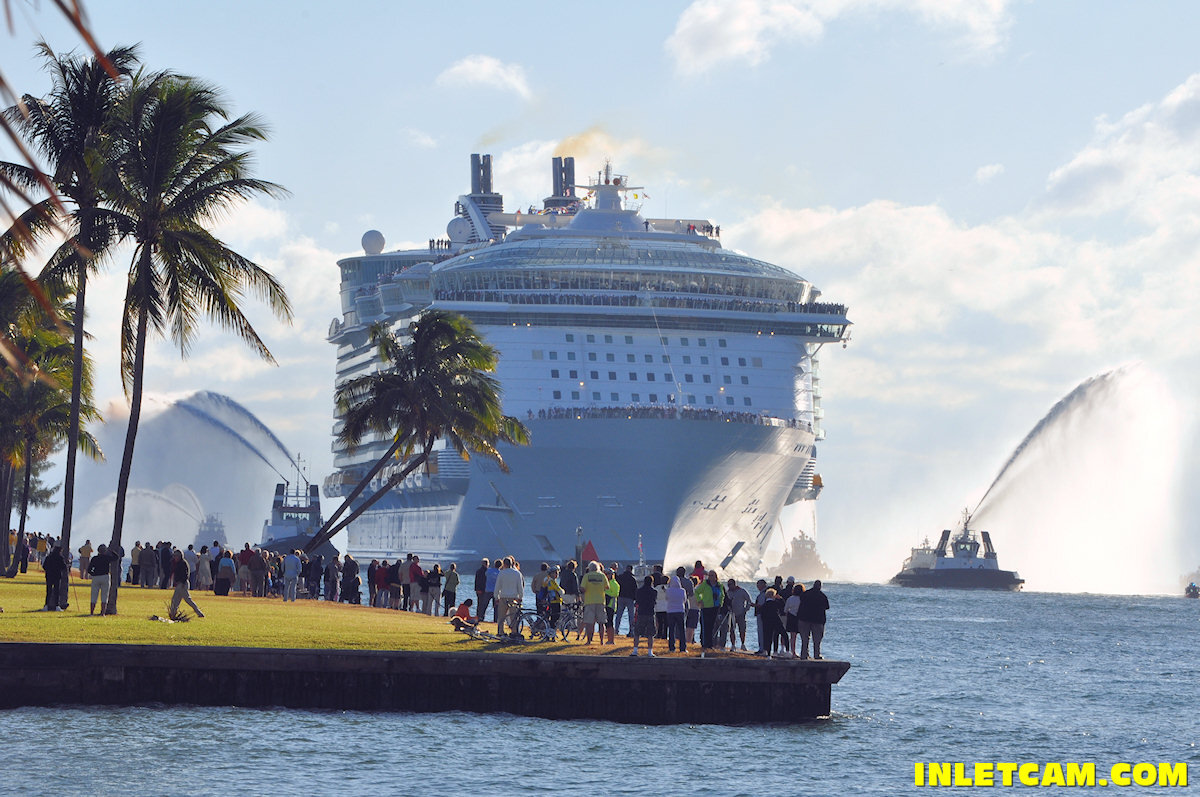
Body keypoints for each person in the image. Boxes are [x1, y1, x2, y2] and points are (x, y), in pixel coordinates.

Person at [796, 579, 830, 659]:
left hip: (804, 619)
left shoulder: (805, 594)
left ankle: (804, 655)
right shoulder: (822, 596)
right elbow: (827, 607)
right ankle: (816, 655)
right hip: (817, 620)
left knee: (804, 639)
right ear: (820, 586)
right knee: (817, 640)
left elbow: (801, 600)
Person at [168, 549, 204, 618]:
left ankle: (199, 612)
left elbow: (186, 575)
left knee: (187, 600)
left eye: (176, 556)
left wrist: (182, 583)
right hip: (180, 584)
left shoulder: (183, 563)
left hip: (182, 584)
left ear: (180, 556)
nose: (175, 557)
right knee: (175, 600)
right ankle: (173, 614)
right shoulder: (178, 563)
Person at [579, 561, 609, 645]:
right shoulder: (602, 576)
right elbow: (607, 587)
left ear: (589, 568)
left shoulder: (587, 576)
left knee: (589, 622)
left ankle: (589, 641)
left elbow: (582, 588)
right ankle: (602, 641)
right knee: (601, 622)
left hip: (589, 601)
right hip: (600, 601)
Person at [493, 557, 524, 637]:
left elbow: (497, 586)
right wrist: (520, 597)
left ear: (504, 564)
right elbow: (520, 587)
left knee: (501, 616)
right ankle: (514, 632)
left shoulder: (501, 573)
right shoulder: (517, 573)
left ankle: (501, 632)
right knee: (513, 617)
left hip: (503, 597)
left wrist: (496, 597)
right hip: (514, 597)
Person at [695, 569, 725, 650]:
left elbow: (722, 595)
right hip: (706, 607)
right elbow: (696, 592)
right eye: (709, 575)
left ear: (716, 577)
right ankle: (705, 643)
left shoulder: (719, 585)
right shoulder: (705, 584)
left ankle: (710, 644)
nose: (710, 577)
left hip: (715, 607)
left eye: (712, 575)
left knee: (712, 626)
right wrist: (700, 600)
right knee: (705, 626)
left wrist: (720, 603)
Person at [630, 576, 657, 657]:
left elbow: (637, 602)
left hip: (641, 613)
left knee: (637, 633)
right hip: (650, 613)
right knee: (650, 634)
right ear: (652, 582)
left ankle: (635, 650)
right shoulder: (654, 592)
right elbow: (654, 602)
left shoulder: (639, 591)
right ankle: (650, 652)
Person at [86, 543, 114, 615]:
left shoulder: (94, 558)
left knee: (94, 595)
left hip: (96, 577)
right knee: (104, 596)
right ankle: (103, 613)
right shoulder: (107, 558)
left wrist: (93, 574)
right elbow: (116, 557)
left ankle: (91, 613)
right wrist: (110, 550)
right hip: (105, 576)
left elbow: (89, 569)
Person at [726, 578, 752, 651]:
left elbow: (749, 601)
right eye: (728, 585)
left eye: (730, 584)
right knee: (731, 630)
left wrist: (745, 610)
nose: (729, 586)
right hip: (731, 613)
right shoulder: (728, 592)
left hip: (741, 613)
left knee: (742, 629)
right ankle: (733, 645)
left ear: (734, 584)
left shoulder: (742, 591)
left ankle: (743, 644)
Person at [40, 546, 67, 611]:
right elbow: (64, 567)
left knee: (48, 591)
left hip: (49, 576)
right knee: (56, 591)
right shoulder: (60, 558)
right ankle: (57, 606)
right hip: (57, 576)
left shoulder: (48, 557)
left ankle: (46, 605)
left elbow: (44, 566)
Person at [665, 574, 687, 653]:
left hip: (670, 611)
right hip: (680, 611)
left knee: (671, 630)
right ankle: (683, 648)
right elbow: (684, 600)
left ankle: (671, 647)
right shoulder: (682, 590)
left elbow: (666, 599)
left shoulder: (668, 590)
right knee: (681, 630)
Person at [614, 564, 638, 636]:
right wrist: (635, 599)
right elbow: (635, 590)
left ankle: (616, 630)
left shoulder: (621, 577)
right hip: (630, 598)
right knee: (631, 615)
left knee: (619, 615)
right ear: (631, 569)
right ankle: (631, 631)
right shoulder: (633, 579)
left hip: (621, 597)